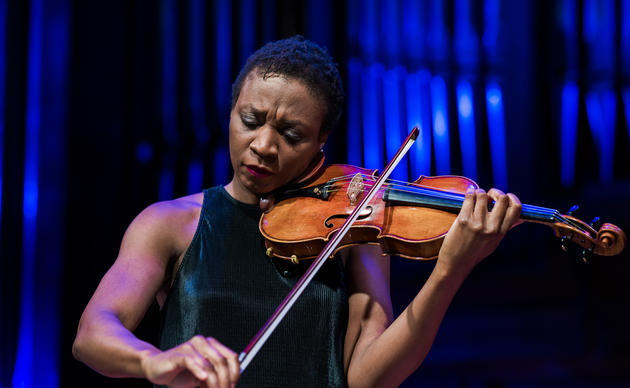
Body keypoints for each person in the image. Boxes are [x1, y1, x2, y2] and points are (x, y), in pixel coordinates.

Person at [72, 36, 522, 388]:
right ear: (231, 112)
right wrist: (154, 360)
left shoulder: (353, 234)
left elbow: (369, 377)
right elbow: (94, 333)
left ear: (319, 145)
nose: (264, 146)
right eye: (251, 120)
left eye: (291, 134)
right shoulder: (171, 223)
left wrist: (448, 272)